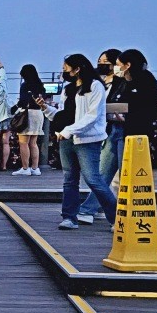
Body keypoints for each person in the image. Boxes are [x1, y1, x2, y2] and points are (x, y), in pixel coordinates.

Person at [36, 53, 116, 230]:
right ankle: (69, 217)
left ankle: (116, 217)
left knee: (93, 179)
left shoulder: (95, 87)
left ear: (77, 69)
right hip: (66, 138)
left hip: (87, 139)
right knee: (69, 179)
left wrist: (69, 131)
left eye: (66, 68)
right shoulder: (69, 89)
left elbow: (92, 116)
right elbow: (64, 114)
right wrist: (45, 108)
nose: (64, 71)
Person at [75, 48, 123, 224]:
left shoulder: (120, 82)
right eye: (99, 61)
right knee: (104, 174)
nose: (101, 65)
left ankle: (91, 209)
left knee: (104, 175)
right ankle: (97, 209)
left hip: (116, 129)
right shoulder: (97, 82)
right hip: (107, 130)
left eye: (106, 62)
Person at [13, 64, 46, 175]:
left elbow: (23, 101)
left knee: (23, 143)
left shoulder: (25, 85)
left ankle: (25, 168)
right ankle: (35, 168)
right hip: (38, 113)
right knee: (33, 143)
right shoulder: (40, 85)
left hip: (28, 114)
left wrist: (15, 107)